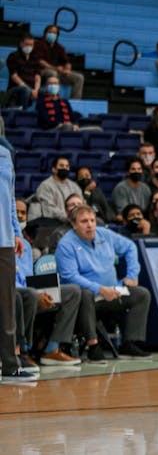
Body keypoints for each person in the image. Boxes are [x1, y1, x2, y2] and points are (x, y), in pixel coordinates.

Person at [55, 205, 152, 361]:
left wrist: (132, 275)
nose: (90, 225)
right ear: (74, 225)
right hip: (87, 297)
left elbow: (130, 247)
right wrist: (99, 289)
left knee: (141, 294)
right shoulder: (66, 245)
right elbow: (70, 276)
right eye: (84, 221)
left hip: (112, 290)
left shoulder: (104, 235)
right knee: (85, 294)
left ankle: (129, 344)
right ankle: (93, 346)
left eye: (92, 220)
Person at [14, 228, 82, 367]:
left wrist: (42, 292)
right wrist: (37, 294)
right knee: (30, 295)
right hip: (12, 295)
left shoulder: (25, 245)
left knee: (72, 291)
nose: (17, 217)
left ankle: (52, 349)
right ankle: (22, 351)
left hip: (30, 292)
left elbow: (28, 276)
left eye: (22, 213)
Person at [1, 144, 36, 382]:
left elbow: (10, 198)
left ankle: (10, 365)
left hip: (3, 239)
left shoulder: (4, 154)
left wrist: (16, 231)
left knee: (6, 305)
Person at [33, 25, 84, 100]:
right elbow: (40, 62)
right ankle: (53, 98)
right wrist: (56, 68)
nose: (52, 34)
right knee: (52, 73)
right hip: (42, 71)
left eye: (54, 33)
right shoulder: (38, 44)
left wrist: (67, 69)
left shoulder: (59, 47)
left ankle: (75, 102)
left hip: (58, 71)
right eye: (50, 32)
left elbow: (66, 61)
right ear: (45, 33)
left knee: (79, 78)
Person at [32, 156, 83, 222]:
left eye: (67, 166)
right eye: (61, 166)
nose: (65, 168)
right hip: (54, 224)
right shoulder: (45, 186)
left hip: (75, 221)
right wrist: (68, 218)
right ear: (54, 169)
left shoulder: (74, 186)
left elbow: (82, 204)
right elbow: (49, 209)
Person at [5, 34, 41, 109]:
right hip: (16, 88)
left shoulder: (35, 57)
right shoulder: (13, 56)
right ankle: (22, 112)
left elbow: (37, 76)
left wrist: (36, 90)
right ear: (21, 44)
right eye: (27, 44)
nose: (29, 47)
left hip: (32, 88)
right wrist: (30, 90)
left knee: (46, 91)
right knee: (26, 90)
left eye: (31, 45)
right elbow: (14, 76)